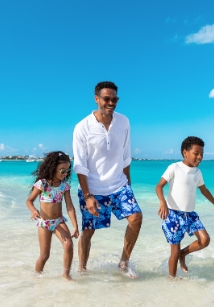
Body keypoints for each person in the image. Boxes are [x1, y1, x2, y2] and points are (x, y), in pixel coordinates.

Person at [73, 81, 142, 277]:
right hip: (92, 189)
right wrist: (87, 196)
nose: (111, 102)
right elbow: (80, 165)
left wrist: (128, 185)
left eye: (114, 99)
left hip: (119, 185)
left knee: (136, 218)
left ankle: (123, 262)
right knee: (88, 231)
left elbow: (126, 156)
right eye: (106, 99)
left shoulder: (124, 122)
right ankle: (82, 269)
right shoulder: (82, 127)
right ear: (97, 99)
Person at [155, 136, 214, 277]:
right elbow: (159, 186)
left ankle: (183, 254)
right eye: (196, 153)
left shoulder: (197, 172)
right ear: (185, 153)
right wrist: (162, 202)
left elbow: (204, 190)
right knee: (174, 251)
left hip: (190, 215)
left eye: (202, 154)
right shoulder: (174, 167)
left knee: (205, 240)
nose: (199, 157)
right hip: (173, 215)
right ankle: (172, 280)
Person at [25, 151, 79, 281]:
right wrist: (33, 210)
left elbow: (70, 207)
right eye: (62, 170)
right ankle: (37, 277)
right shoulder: (42, 184)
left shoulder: (64, 186)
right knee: (44, 255)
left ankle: (66, 274)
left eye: (67, 171)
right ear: (53, 168)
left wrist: (75, 226)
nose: (65, 173)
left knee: (68, 245)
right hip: (44, 223)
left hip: (58, 221)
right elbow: (29, 201)